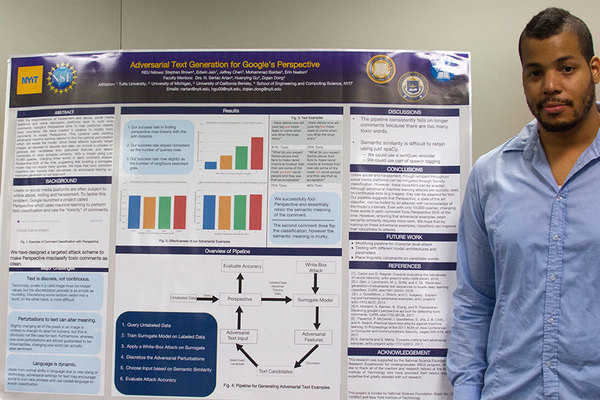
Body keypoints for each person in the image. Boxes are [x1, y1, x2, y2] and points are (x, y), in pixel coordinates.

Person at [447, 7, 600, 400]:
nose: (550, 85)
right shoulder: (490, 175)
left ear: (594, 70)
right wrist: (467, 391)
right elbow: (474, 301)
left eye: (566, 68)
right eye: (535, 73)